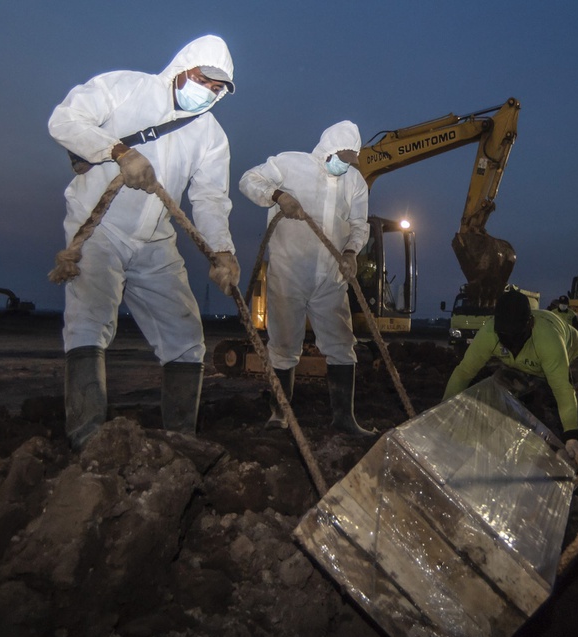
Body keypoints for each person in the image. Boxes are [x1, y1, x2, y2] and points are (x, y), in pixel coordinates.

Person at [49, 35, 240, 451]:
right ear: (184, 67)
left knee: (186, 335)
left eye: (217, 88)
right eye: (204, 80)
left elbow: (209, 199)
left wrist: (222, 251)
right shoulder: (124, 88)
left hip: (155, 237)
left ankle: (180, 442)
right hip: (101, 228)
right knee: (90, 319)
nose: (208, 92)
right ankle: (88, 441)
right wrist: (116, 150)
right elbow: (64, 120)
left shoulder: (211, 136)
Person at [239, 121, 374, 435]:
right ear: (327, 150)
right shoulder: (290, 164)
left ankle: (344, 419)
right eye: (341, 157)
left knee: (341, 344)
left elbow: (359, 224)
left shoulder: (355, 182)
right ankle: (279, 416)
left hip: (331, 276)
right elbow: (249, 180)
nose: (345, 164)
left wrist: (352, 252)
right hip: (289, 273)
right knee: (284, 345)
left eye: (350, 159)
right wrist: (276, 195)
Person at [444, 289, 578, 479]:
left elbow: (562, 390)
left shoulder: (548, 339)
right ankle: (532, 457)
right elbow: (464, 372)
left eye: (516, 337)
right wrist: (445, 411)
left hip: (570, 358)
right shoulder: (488, 334)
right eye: (505, 337)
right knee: (496, 392)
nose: (511, 344)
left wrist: (571, 437)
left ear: (530, 324)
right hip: (524, 367)